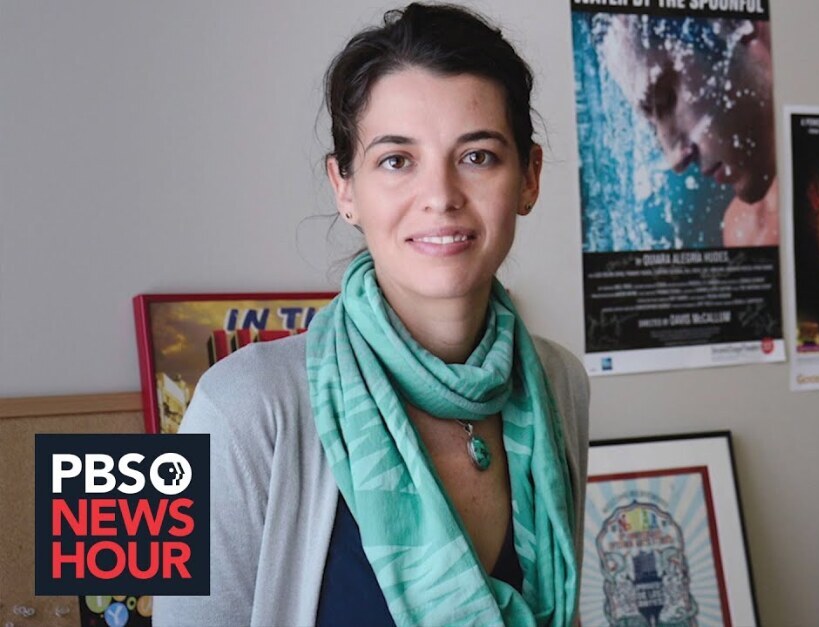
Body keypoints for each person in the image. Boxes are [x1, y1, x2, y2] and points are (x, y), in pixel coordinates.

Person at [155, 4, 590, 626]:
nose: (440, 196)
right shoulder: (239, 406)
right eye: (396, 160)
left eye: (477, 156)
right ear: (344, 187)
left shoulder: (560, 381)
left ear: (529, 177)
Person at [594, 14, 779, 247]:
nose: (675, 161)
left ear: (736, 22)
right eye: (652, 126)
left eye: (665, 100)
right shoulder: (746, 231)